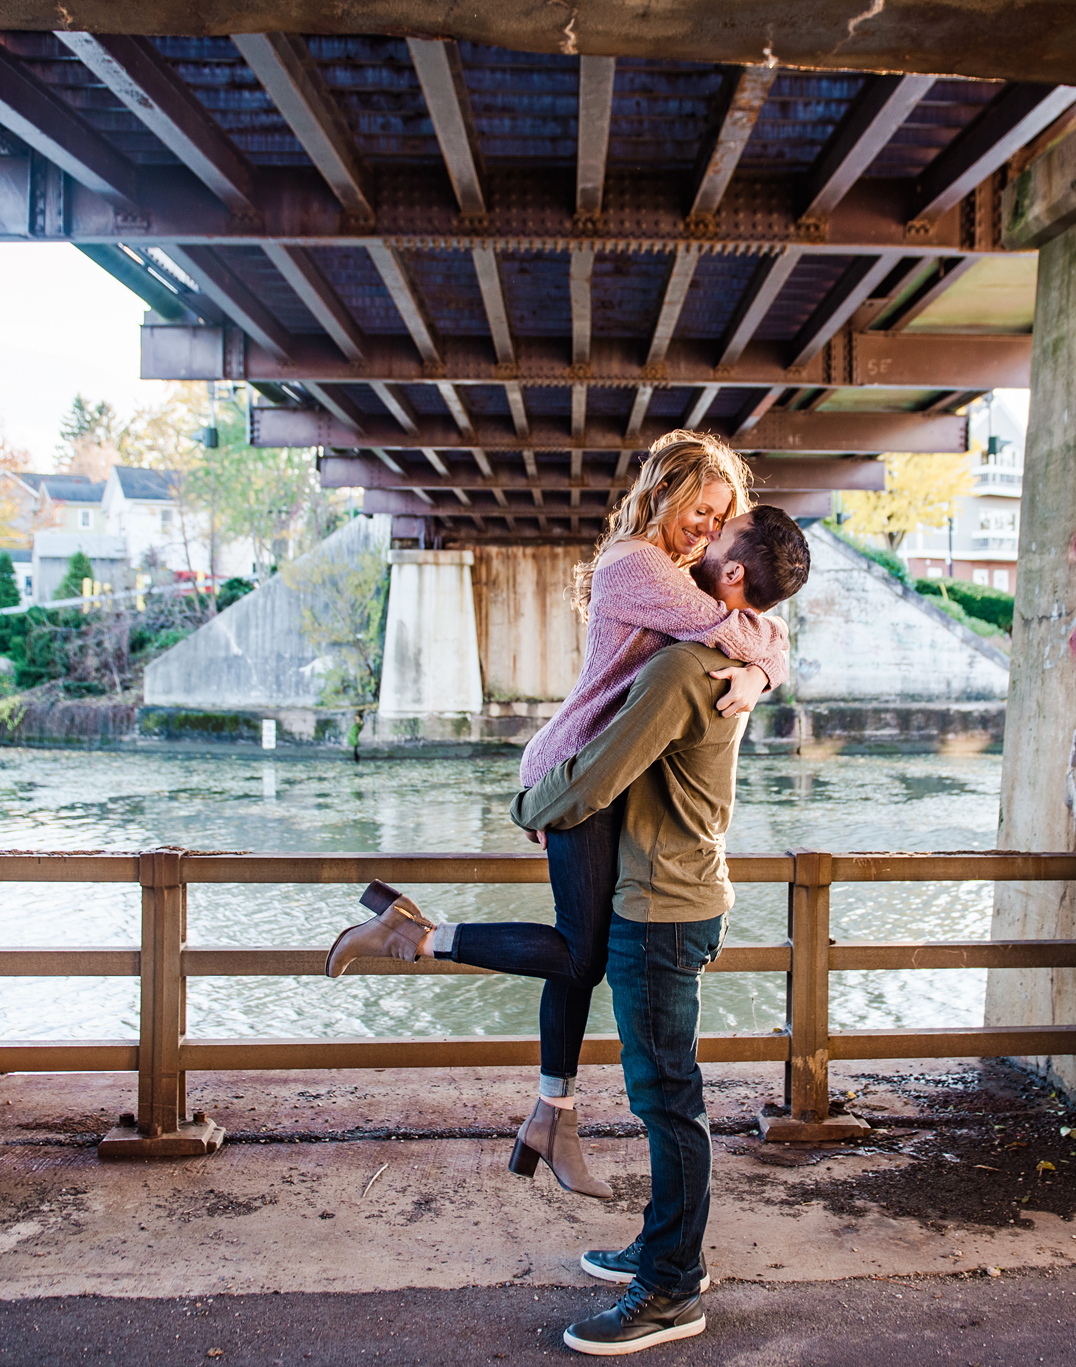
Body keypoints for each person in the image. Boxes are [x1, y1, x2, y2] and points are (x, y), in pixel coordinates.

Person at [322, 431, 790, 1200]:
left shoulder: (674, 572)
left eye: (721, 516)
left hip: (601, 774)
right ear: (666, 491)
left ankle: (553, 1112)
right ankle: (415, 936)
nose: (709, 528)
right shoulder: (636, 565)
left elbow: (756, 620)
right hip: (574, 770)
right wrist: (763, 664)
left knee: (581, 951)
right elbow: (744, 625)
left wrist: (760, 664)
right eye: (701, 510)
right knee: (583, 955)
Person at [514, 505, 812, 1355]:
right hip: (695, 894)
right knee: (670, 1092)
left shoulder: (683, 667)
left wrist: (525, 804)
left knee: (666, 1100)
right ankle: (665, 1246)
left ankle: (673, 1288)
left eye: (715, 540)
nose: (696, 544)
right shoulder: (730, 658)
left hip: (658, 910)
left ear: (730, 580)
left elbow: (598, 779)